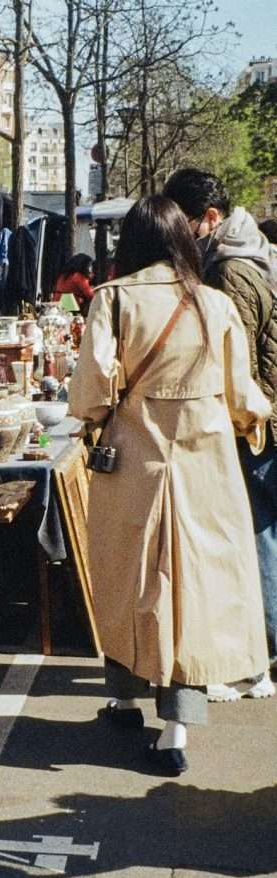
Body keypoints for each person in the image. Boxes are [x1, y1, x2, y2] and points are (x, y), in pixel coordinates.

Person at [69, 195, 270, 775]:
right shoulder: (214, 304)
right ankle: (176, 729)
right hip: (207, 470)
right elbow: (242, 397)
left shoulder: (113, 300)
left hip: (135, 464)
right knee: (195, 595)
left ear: (131, 242)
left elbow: (92, 391)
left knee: (128, 579)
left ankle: (123, 697)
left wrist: (98, 417)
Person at [163, 168, 277, 701]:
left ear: (209, 219)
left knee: (255, 535)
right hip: (264, 419)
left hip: (258, 427)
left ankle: (260, 650)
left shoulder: (230, 271)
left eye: (184, 224)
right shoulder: (250, 253)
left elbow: (236, 364)